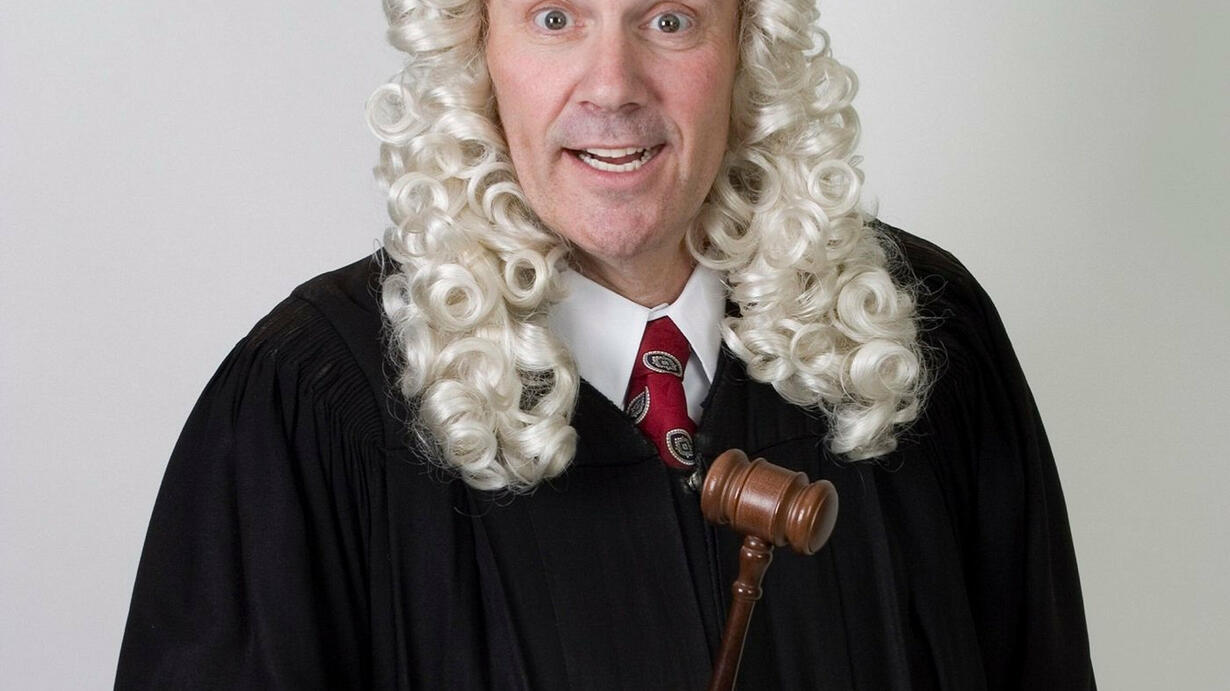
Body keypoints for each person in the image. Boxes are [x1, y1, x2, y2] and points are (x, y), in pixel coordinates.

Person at [117, 0, 1095, 688]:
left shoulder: (917, 339)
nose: (614, 86)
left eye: (669, 19)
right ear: (475, 50)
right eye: (554, 18)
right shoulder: (309, 409)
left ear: (748, 43)